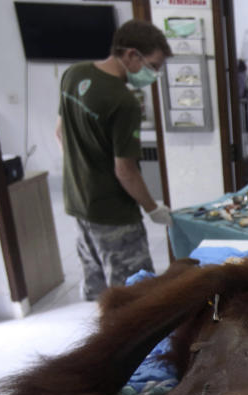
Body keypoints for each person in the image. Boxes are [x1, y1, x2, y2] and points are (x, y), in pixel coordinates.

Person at [56, 19, 173, 301]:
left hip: (79, 205)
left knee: (99, 291)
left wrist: (84, 171)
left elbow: (60, 133)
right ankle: (132, 346)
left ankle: (103, 339)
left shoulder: (74, 74)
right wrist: (152, 208)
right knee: (136, 298)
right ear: (132, 54)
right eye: (153, 66)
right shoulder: (124, 101)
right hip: (113, 214)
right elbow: (125, 171)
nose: (154, 74)